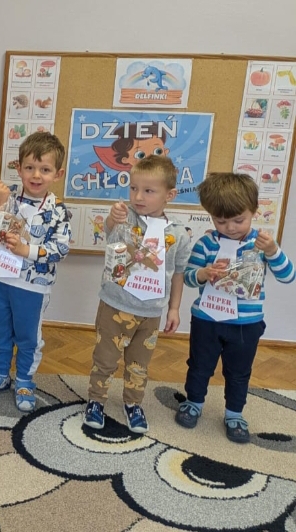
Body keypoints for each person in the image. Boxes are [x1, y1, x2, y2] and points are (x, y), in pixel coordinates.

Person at [177, 172, 293, 443]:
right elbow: (189, 277)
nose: (229, 227)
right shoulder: (206, 243)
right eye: (220, 221)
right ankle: (194, 402)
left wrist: (273, 251)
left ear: (254, 210)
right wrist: (204, 273)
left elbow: (288, 277)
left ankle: (234, 414)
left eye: (238, 220)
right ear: (210, 216)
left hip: (246, 324)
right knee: (199, 365)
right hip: (207, 319)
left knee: (239, 372)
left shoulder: (262, 244)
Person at [81, 155, 191, 433]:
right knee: (105, 359)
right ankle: (96, 400)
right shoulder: (125, 217)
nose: (138, 196)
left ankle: (133, 403)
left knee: (139, 364)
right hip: (115, 305)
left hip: (150, 312)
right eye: (133, 188)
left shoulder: (179, 234)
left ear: (169, 195)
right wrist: (112, 218)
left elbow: (178, 273)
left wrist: (174, 308)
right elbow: (110, 232)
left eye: (148, 191)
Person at [0, 132, 72, 412]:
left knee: (28, 336)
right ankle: (0, 374)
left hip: (32, 286)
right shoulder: (8, 197)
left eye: (45, 169)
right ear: (18, 168)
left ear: (58, 173)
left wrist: (26, 250)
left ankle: (25, 380)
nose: (36, 175)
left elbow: (60, 249)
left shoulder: (58, 211)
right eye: (29, 167)